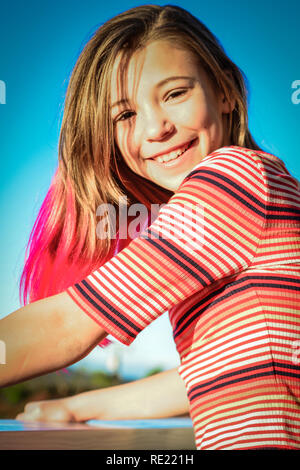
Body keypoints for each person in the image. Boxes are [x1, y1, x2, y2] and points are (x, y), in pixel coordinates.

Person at [1, 4, 300, 450]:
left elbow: (68, 325)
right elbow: (214, 373)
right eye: (125, 115)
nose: (156, 128)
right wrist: (80, 406)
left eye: (175, 93)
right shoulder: (263, 188)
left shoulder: (234, 179)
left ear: (226, 92)